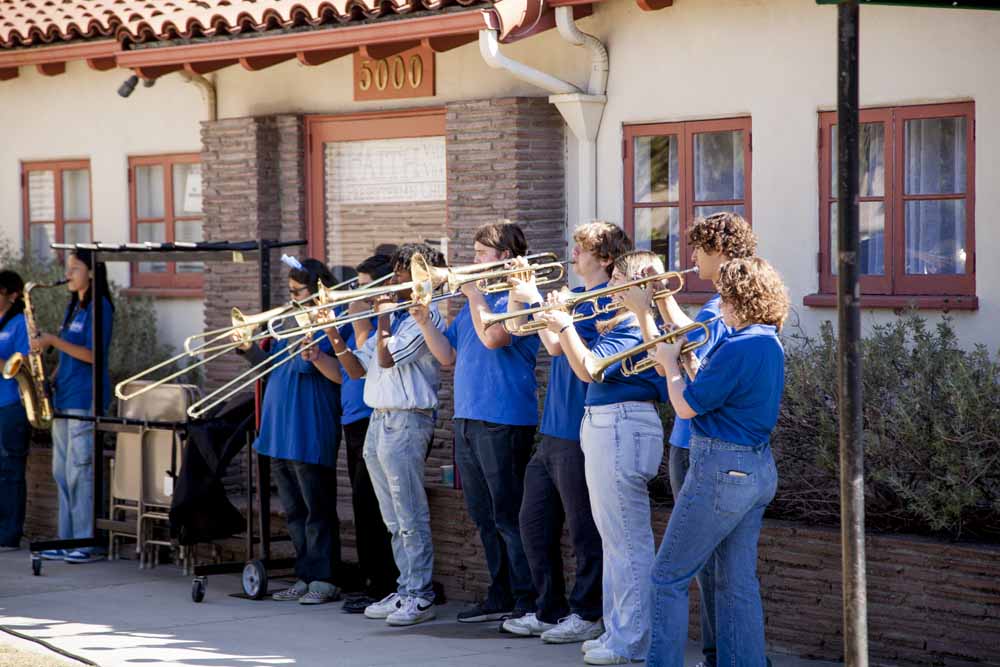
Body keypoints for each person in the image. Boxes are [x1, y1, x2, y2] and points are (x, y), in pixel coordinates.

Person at [621, 211, 758, 667]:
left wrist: (654, 303)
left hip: (699, 440)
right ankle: (726, 655)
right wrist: (655, 305)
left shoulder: (725, 307)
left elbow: (690, 346)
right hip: (700, 441)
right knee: (721, 570)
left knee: (696, 568)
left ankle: (718, 654)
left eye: (699, 247)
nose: (692, 256)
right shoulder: (726, 306)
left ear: (720, 251)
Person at [647, 257, 788, 667]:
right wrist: (688, 363)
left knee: (667, 576)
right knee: (736, 583)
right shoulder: (768, 341)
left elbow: (686, 407)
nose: (720, 304)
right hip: (756, 468)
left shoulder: (739, 345)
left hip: (721, 468)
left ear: (740, 299)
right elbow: (717, 393)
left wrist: (669, 364)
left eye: (725, 296)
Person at [500, 222, 632, 645]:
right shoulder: (573, 296)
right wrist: (524, 297)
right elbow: (537, 337)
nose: (573, 254)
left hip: (580, 428)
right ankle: (549, 609)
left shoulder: (608, 302)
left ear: (606, 258)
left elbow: (562, 346)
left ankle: (588, 612)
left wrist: (538, 300)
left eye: (582, 249)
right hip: (553, 428)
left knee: (583, 528)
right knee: (532, 522)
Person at [538, 250, 667, 666]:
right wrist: (557, 326)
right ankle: (617, 632)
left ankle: (631, 642)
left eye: (616, 281)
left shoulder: (632, 327)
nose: (609, 288)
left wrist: (565, 325)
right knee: (615, 541)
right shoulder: (621, 324)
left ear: (634, 285)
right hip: (609, 423)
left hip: (621, 424)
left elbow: (589, 368)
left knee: (627, 541)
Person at [413, 221, 540, 623]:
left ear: (505, 256)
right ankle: (499, 592)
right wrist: (424, 322)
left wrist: (473, 294)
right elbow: (447, 356)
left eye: (482, 252)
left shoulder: (518, 297)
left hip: (504, 418)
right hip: (467, 417)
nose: (473, 259)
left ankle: (527, 598)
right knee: (483, 514)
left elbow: (494, 339)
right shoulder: (475, 303)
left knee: (508, 514)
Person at [328, 243, 447, 627]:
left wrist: (380, 317)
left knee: (410, 513)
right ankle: (404, 586)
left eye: (401, 273)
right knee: (392, 518)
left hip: (407, 421)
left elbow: (386, 357)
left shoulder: (425, 319)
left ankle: (420, 594)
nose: (393, 280)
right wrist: (333, 334)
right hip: (380, 419)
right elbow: (357, 370)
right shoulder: (395, 319)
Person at [240, 257, 344, 605]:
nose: (292, 298)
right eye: (290, 291)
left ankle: (325, 579)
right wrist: (248, 349)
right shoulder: (288, 321)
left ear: (317, 290)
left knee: (317, 511)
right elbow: (270, 368)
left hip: (308, 428)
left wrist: (308, 331)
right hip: (278, 430)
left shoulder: (332, 320)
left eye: (297, 292)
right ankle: (305, 575)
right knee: (294, 512)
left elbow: (310, 366)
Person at [33, 249, 114, 564]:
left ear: (91, 272)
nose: (68, 274)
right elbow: (69, 356)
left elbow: (93, 356)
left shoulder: (100, 307)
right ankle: (66, 540)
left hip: (85, 399)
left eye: (75, 268)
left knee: (80, 472)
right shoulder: (73, 307)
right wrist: (49, 379)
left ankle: (87, 542)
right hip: (64, 398)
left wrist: (53, 340)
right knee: (61, 473)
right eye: (67, 268)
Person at [334, 255, 400, 614]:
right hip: (354, 417)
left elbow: (368, 349)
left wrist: (358, 312)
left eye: (363, 285)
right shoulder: (363, 317)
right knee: (363, 506)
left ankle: (384, 584)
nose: (356, 292)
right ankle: (372, 581)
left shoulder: (384, 319)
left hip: (372, 415)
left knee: (374, 506)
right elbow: (350, 367)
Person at [0, 270, 30, 551]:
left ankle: (10, 534)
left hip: (11, 404)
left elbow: (22, 366)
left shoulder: (20, 323)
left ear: (12, 295)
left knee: (10, 470)